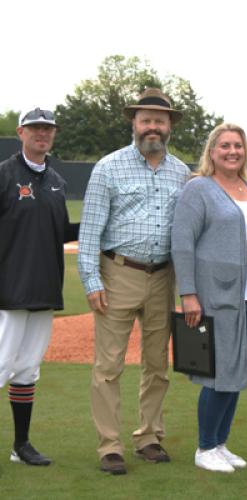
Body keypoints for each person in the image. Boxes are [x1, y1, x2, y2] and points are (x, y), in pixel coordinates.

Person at [78, 88, 191, 475]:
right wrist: (92, 281)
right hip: (118, 273)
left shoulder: (181, 172)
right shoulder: (108, 167)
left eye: (160, 120)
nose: (153, 127)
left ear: (170, 125)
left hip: (163, 276)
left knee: (157, 364)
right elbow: (90, 232)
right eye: (146, 120)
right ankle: (110, 445)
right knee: (108, 366)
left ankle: (148, 436)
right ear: (134, 123)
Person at [171, 123, 247, 473]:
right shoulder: (198, 188)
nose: (233, 151)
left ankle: (220, 442)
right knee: (219, 372)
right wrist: (188, 294)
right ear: (212, 151)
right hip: (216, 295)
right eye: (225, 145)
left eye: (238, 146)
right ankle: (204, 447)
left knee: (239, 371)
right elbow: (182, 243)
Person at [0, 108, 79, 465]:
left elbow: (62, 233)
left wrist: (100, 226)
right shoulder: (4, 174)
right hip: (8, 291)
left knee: (28, 368)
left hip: (45, 289)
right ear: (21, 132)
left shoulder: (57, 182)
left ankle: (21, 445)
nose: (42, 134)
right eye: (35, 129)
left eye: (48, 129)